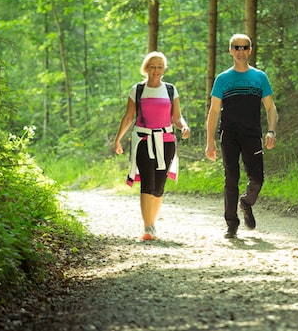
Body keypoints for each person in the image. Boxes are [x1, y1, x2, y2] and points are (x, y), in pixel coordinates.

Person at [205, 34, 278, 239]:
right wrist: (210, 142)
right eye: (236, 47)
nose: (240, 50)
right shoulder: (223, 79)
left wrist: (271, 130)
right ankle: (231, 223)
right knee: (231, 178)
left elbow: (271, 108)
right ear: (230, 51)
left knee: (257, 178)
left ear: (250, 50)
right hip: (229, 134)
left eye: (244, 47)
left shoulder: (259, 77)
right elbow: (213, 112)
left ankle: (246, 202)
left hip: (252, 134)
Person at [115, 51, 190, 241]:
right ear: (146, 68)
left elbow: (176, 116)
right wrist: (118, 139)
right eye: (152, 66)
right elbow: (128, 117)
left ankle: (152, 224)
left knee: (159, 185)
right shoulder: (137, 90)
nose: (156, 70)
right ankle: (147, 227)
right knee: (148, 182)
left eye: (159, 66)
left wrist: (183, 126)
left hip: (166, 141)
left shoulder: (171, 90)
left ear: (164, 69)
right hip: (143, 140)